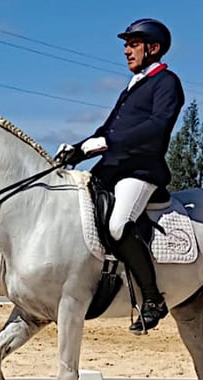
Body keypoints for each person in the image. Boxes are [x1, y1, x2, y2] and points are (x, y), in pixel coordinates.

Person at [56, 18, 185, 334]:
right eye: (126, 45)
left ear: (152, 48)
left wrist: (109, 142)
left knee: (117, 224)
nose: (126, 51)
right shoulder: (134, 84)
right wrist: (78, 149)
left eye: (132, 44)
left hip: (140, 171)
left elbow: (157, 127)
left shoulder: (166, 82)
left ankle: (153, 299)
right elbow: (108, 130)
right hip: (112, 168)